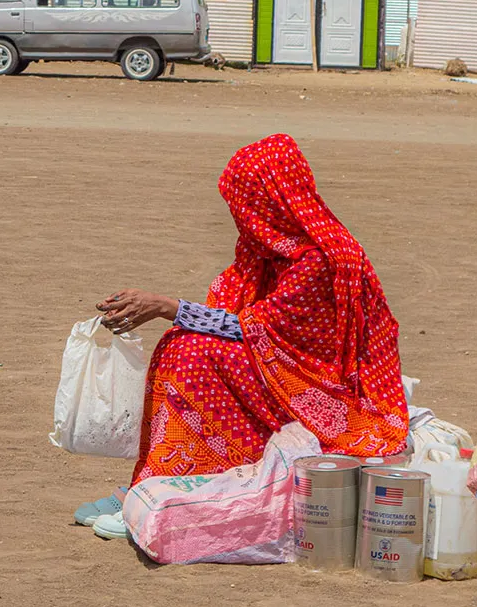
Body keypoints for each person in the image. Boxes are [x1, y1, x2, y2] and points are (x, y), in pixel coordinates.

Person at [75, 134, 409, 538]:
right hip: (282, 369)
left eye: (246, 203)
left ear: (272, 198)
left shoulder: (319, 260)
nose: (241, 216)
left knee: (193, 356)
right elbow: (236, 316)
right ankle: (151, 480)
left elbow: (257, 330)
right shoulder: (269, 252)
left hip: (321, 389)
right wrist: (174, 313)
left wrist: (167, 307)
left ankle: (172, 483)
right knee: (182, 345)